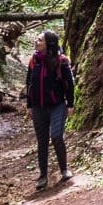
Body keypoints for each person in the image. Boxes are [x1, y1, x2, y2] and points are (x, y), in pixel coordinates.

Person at [24, 30, 74, 190]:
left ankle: (64, 169)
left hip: (57, 106)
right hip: (38, 107)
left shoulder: (61, 60)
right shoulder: (34, 60)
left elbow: (70, 83)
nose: (36, 42)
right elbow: (29, 84)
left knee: (56, 136)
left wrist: (70, 104)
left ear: (48, 44)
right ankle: (43, 176)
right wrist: (29, 105)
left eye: (39, 40)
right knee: (42, 141)